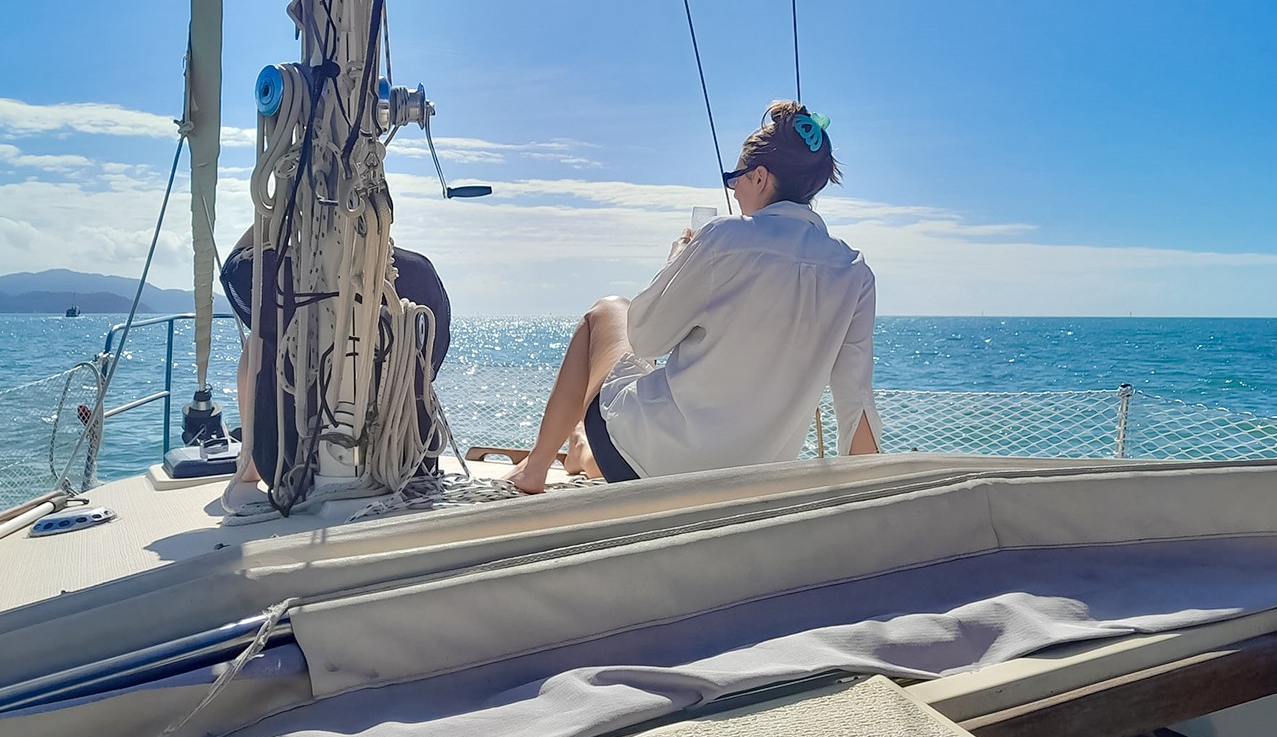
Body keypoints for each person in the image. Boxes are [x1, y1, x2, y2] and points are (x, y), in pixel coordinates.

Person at [505, 100, 881, 494]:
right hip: (753, 481)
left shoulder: (724, 237)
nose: (734, 189)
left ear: (759, 177)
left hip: (654, 463)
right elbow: (855, 402)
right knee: (616, 437)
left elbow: (646, 340)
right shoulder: (854, 271)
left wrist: (677, 262)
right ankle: (580, 450)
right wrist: (872, 497)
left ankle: (536, 468)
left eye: (735, 177)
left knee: (606, 310)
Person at [221, 227, 452, 486]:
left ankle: (250, 462)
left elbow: (231, 268)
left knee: (257, 341)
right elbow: (432, 358)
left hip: (293, 470)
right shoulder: (421, 272)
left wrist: (278, 212)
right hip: (411, 465)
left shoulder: (274, 270)